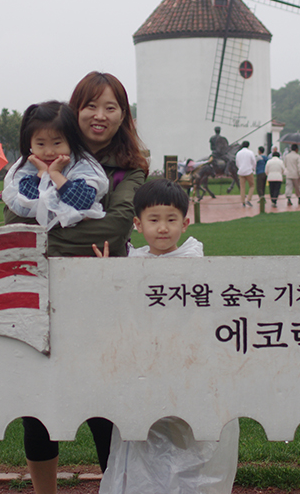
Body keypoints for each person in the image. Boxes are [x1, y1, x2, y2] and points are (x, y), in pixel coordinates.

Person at [4, 72, 148, 494]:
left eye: (111, 107)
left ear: (123, 115)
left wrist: (42, 239)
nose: (100, 115)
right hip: (45, 296)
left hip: (102, 298)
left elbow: (115, 229)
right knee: (39, 403)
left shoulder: (129, 169)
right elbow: (14, 220)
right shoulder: (39, 157)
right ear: (75, 110)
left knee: (105, 403)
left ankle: (113, 486)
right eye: (90, 106)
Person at [95, 180, 239, 494]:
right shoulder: (132, 263)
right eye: (154, 220)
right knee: (141, 437)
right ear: (138, 224)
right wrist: (108, 276)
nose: (163, 228)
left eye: (171, 219)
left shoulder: (194, 263)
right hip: (141, 371)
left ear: (185, 223)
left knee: (186, 438)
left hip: (185, 371)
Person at [2, 101, 109, 229]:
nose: (49, 152)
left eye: (57, 143)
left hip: (75, 239)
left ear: (71, 140)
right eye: (40, 144)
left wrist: (55, 174)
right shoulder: (26, 166)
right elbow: (22, 206)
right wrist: (41, 174)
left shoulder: (82, 165)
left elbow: (82, 202)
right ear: (30, 143)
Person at [234, 141, 256, 207]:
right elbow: (254, 162)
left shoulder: (238, 153)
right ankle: (248, 199)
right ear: (248, 146)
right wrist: (253, 169)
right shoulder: (250, 152)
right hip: (248, 171)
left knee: (242, 187)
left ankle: (243, 201)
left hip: (241, 171)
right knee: (252, 185)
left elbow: (237, 163)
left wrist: (240, 167)